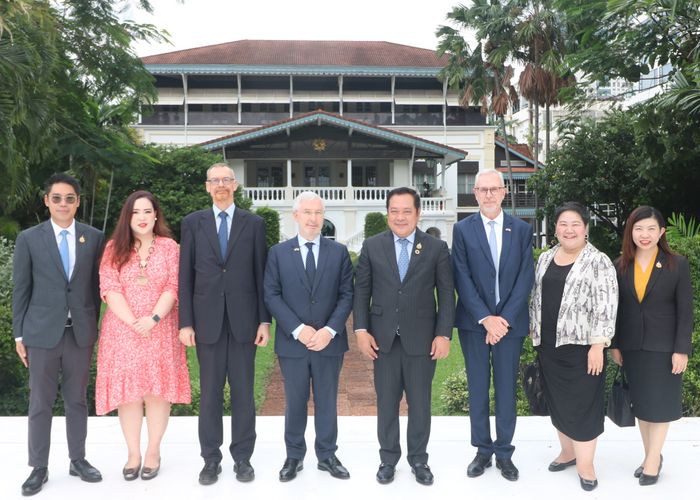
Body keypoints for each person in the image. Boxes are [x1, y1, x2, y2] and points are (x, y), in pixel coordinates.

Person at [353, 187, 454, 486]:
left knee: (420, 402)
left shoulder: (436, 248)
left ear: (418, 214)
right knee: (386, 402)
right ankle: (388, 459)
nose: (400, 217)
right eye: (394, 211)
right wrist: (360, 330)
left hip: (422, 340)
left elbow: (447, 294)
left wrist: (444, 334)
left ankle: (419, 459)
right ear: (388, 214)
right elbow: (362, 291)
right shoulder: (372, 246)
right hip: (382, 339)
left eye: (406, 211)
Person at [12, 173, 105, 496]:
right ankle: (38, 467)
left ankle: (77, 459)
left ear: (78, 202)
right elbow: (21, 289)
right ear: (46, 201)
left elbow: (96, 288)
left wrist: (95, 326)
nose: (63, 204)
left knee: (77, 400)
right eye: (57, 198)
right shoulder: (29, 239)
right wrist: (19, 335)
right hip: (40, 334)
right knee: (40, 401)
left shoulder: (93, 237)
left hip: (79, 333)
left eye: (69, 198)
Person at [178, 163, 270, 485]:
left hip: (245, 322)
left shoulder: (254, 224)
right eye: (215, 180)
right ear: (207, 187)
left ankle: (243, 458)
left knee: (244, 393)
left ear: (235, 185)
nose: (221, 185)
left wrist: (263, 320)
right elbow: (185, 277)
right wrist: (186, 322)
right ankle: (210, 460)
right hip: (206, 324)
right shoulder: (192, 224)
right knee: (211, 394)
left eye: (226, 180)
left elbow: (262, 276)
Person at [95, 191, 191, 481]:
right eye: (136, 212)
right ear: (128, 216)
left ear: (156, 215)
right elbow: (109, 287)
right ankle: (133, 453)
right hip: (123, 332)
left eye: (147, 211)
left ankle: (153, 451)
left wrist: (153, 319)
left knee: (157, 393)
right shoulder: (114, 248)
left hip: (160, 330)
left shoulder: (169, 247)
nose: (142, 217)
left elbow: (174, 286)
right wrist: (134, 322)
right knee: (130, 395)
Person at [264, 191, 354, 482]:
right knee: (295, 400)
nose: (314, 218)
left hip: (329, 342)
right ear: (296, 216)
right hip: (294, 343)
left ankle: (327, 455)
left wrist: (329, 330)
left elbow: (346, 295)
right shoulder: (278, 253)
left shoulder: (338, 252)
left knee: (328, 399)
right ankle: (294, 456)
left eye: (318, 213)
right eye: (307, 213)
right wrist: (298, 329)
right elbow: (272, 295)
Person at [529, 202, 618, 492]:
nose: (569, 229)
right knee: (557, 401)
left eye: (575, 224)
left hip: (582, 348)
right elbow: (536, 297)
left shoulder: (598, 260)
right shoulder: (545, 258)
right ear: (555, 228)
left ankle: (586, 464)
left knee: (584, 405)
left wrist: (598, 344)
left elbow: (607, 305)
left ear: (586, 228)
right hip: (549, 345)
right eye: (563, 224)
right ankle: (567, 452)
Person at [451, 170, 534, 482]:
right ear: (474, 193)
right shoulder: (462, 230)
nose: (488, 195)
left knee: (505, 390)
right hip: (475, 324)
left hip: (510, 325)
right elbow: (461, 275)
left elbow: (525, 278)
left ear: (504, 192)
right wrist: (486, 318)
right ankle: (482, 451)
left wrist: (504, 319)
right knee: (477, 388)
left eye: (494, 189)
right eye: (483, 190)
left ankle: (504, 453)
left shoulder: (521, 230)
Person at [610, 206, 693, 486]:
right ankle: (652, 456)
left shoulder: (676, 264)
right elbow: (616, 310)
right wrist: (615, 344)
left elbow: (685, 311)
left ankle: (652, 460)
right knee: (643, 406)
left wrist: (682, 349)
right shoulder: (620, 264)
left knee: (660, 406)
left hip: (665, 347)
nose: (644, 235)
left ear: (661, 232)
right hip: (632, 346)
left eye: (650, 229)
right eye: (638, 229)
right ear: (630, 232)